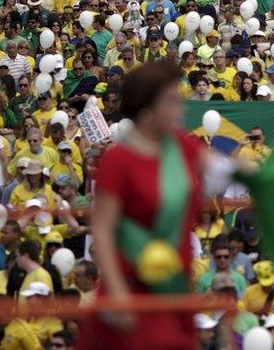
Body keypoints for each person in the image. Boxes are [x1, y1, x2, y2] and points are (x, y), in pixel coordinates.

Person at [86, 60, 209, 348]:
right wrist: (117, 294)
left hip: (173, 285)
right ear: (147, 108)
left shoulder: (183, 146)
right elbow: (102, 230)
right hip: (130, 287)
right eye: (171, 101)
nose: (180, 109)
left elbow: (224, 169)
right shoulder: (117, 160)